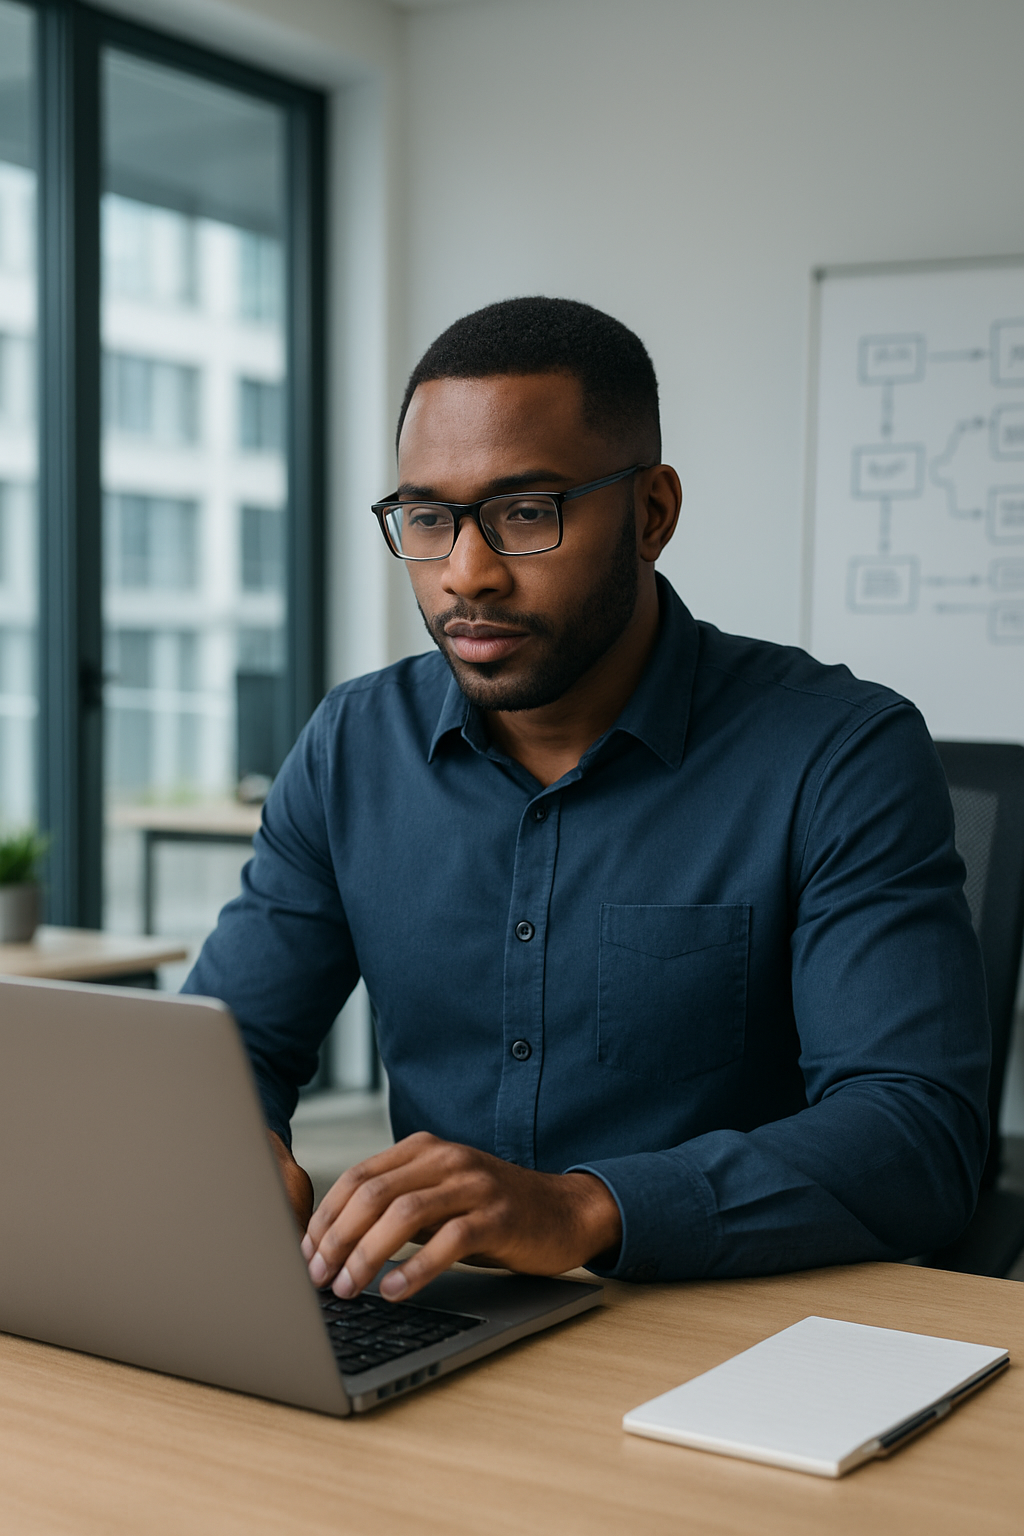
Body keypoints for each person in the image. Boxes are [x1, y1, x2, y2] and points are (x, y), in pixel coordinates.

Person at [184, 297, 989, 1306]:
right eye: (428, 518)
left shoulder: (837, 751)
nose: (466, 575)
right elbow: (229, 1047)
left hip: (740, 1333)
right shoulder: (354, 744)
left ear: (650, 513)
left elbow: (916, 1133)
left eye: (527, 513)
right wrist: (233, 1148)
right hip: (438, 1314)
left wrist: (579, 1209)